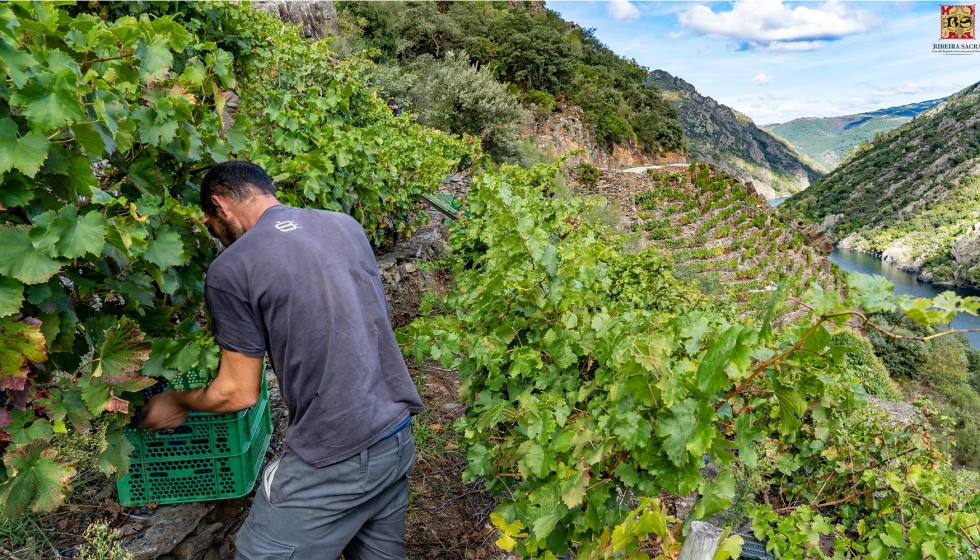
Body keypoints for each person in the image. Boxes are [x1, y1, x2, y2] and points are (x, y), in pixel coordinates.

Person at [141, 161, 424, 560]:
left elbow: (237, 393)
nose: (216, 236)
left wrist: (177, 401)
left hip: (334, 456)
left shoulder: (233, 268)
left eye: (210, 223)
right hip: (394, 435)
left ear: (220, 205)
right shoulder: (344, 225)